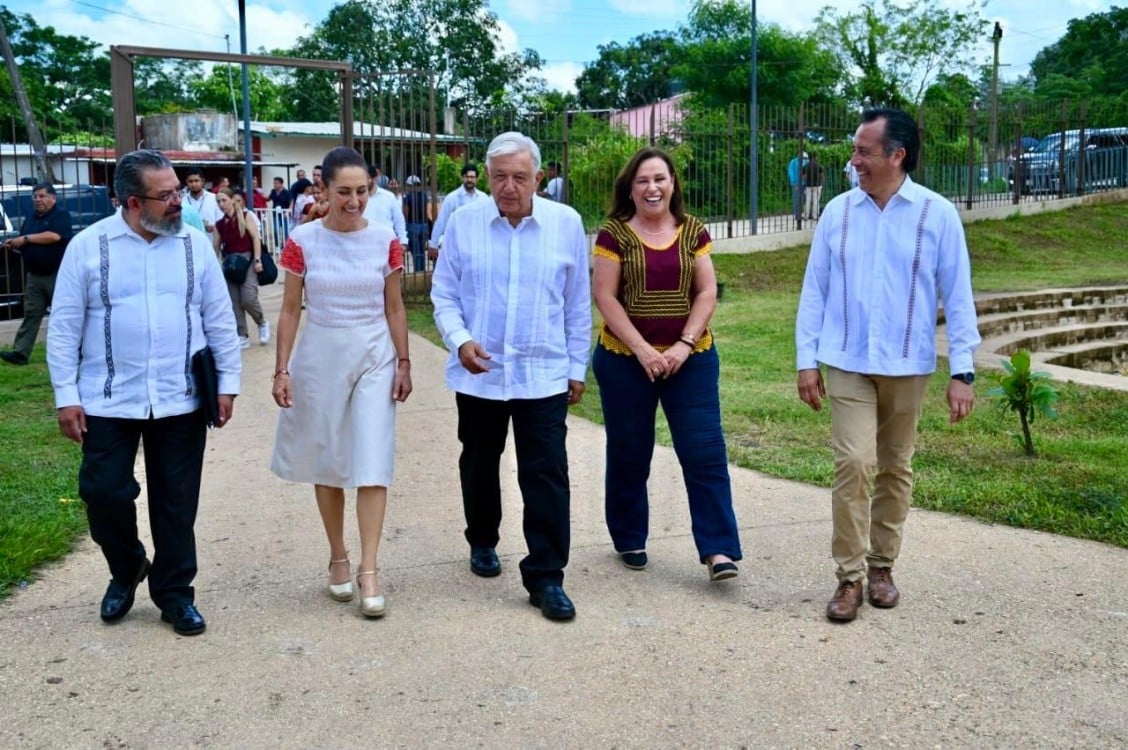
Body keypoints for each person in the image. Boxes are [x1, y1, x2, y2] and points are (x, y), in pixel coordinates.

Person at [795, 108, 981, 623]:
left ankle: (882, 566)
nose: (854, 160)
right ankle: (849, 577)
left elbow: (958, 295)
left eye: (864, 152)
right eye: (855, 150)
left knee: (896, 466)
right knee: (854, 463)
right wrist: (805, 360)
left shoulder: (936, 214)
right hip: (847, 358)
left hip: (907, 363)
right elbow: (815, 291)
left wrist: (962, 372)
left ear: (897, 155)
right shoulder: (838, 212)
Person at [46, 149, 241, 636]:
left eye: (178, 190)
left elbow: (219, 319)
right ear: (133, 202)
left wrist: (228, 385)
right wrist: (66, 394)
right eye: (167, 194)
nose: (180, 200)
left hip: (180, 396)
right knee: (103, 491)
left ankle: (175, 594)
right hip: (108, 397)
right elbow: (66, 327)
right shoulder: (89, 248)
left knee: (176, 502)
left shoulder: (194, 245)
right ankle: (128, 566)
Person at [431, 132, 591, 622]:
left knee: (546, 474)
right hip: (481, 373)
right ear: (487, 176)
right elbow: (445, 294)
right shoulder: (463, 223)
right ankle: (482, 539)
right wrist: (460, 340)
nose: (508, 186)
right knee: (479, 463)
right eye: (499, 176)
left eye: (520, 177)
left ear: (538, 179)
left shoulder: (565, 225)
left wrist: (575, 367)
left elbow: (577, 304)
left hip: (541, 373)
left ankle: (547, 577)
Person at [270, 146, 412, 619]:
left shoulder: (385, 238)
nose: (354, 201)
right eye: (344, 192)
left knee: (373, 456)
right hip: (321, 354)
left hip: (374, 353)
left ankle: (369, 568)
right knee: (328, 458)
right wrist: (282, 368)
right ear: (323, 191)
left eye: (363, 191)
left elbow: (395, 306)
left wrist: (405, 361)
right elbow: (290, 309)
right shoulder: (304, 240)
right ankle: (338, 555)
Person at [591, 147, 742, 582]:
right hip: (625, 361)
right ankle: (629, 537)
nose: (652, 188)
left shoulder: (693, 230)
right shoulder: (613, 234)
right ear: (631, 188)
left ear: (673, 182)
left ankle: (718, 550)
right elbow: (604, 296)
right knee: (629, 453)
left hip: (689, 360)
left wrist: (681, 345)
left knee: (704, 452)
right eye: (643, 181)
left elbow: (707, 291)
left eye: (659, 179)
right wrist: (643, 350)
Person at [0, 183, 73, 366]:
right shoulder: (31, 218)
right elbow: (25, 238)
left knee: (64, 316)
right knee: (31, 314)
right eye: (35, 197)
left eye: (41, 196)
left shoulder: (60, 215)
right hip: (34, 275)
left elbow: (54, 236)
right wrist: (15, 243)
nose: (37, 200)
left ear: (52, 198)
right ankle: (20, 353)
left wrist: (25, 239)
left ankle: (75, 352)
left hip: (56, 275)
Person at [214, 187, 268, 349]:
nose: (221, 204)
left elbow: (255, 239)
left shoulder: (245, 216)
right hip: (230, 262)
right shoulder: (219, 224)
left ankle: (262, 322)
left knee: (248, 297)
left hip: (248, 259)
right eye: (218, 201)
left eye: (224, 200)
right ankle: (242, 334)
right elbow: (215, 247)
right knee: (234, 301)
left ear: (232, 200)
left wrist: (258, 260)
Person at [426, 162, 490, 261]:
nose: (469, 179)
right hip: (456, 246)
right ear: (462, 178)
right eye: (467, 176)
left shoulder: (483, 198)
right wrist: (433, 244)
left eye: (472, 177)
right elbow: (441, 221)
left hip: (478, 247)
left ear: (477, 179)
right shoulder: (452, 198)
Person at [362, 164, 409, 254]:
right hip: (364, 248)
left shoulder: (388, 197)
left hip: (387, 247)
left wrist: (403, 241)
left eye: (367, 178)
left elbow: (399, 221)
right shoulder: (358, 199)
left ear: (375, 178)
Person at [182, 168, 222, 242]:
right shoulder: (182, 201)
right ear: (186, 182)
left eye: (196, 181)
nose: (193, 184)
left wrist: (214, 227)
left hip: (211, 243)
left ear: (202, 181)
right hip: (190, 243)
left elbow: (222, 222)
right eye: (190, 181)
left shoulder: (214, 198)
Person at [401, 175, 430, 273]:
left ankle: (418, 272)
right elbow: (428, 212)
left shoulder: (407, 197)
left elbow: (406, 213)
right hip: (424, 225)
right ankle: (422, 271)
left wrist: (404, 226)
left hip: (412, 225)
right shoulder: (425, 196)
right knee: (421, 251)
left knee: (415, 251)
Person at [268, 176, 293, 246]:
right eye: (274, 183)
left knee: (285, 232)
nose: (275, 185)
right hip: (276, 214)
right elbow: (268, 198)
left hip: (284, 215)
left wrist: (288, 211)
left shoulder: (286, 192)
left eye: (276, 183)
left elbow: (291, 201)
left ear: (281, 184)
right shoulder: (273, 191)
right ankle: (276, 245)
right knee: (275, 230)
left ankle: (285, 245)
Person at [787, 151, 808, 222]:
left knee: (805, 199)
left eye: (805, 158)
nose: (805, 159)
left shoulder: (806, 162)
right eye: (804, 158)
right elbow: (791, 173)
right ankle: (797, 215)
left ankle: (804, 214)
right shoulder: (793, 162)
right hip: (796, 183)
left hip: (805, 184)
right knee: (797, 199)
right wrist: (793, 183)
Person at [804, 153, 825, 221]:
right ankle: (815, 216)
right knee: (816, 201)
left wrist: (806, 180)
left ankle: (806, 216)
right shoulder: (819, 165)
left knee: (807, 200)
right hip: (817, 185)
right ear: (815, 157)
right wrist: (822, 183)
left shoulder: (806, 166)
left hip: (808, 185)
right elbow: (822, 175)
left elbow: (803, 176)